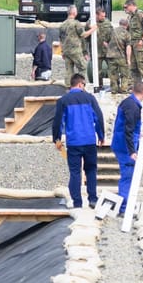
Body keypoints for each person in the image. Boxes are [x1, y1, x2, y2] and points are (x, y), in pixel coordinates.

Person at [50, 74, 106, 209]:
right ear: (80, 84)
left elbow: (57, 122)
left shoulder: (63, 101)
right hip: (89, 141)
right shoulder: (90, 98)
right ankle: (92, 199)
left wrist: (56, 139)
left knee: (75, 172)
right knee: (91, 170)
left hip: (74, 142)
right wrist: (101, 136)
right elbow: (98, 117)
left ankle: (77, 203)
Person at [110, 80, 143, 212]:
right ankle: (124, 207)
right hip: (124, 146)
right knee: (128, 175)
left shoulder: (128, 102)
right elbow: (128, 129)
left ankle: (126, 203)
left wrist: (138, 134)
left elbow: (130, 127)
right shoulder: (133, 106)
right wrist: (132, 151)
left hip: (121, 143)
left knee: (128, 174)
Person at [122, 0, 143, 88]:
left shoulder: (140, 14)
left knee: (141, 65)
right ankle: (136, 85)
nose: (125, 9)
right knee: (133, 66)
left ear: (131, 5)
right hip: (132, 43)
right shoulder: (130, 16)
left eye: (126, 7)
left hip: (139, 43)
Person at [58, 6, 87, 85]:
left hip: (66, 52)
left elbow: (60, 40)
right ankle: (80, 85)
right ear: (74, 13)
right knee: (83, 67)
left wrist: (62, 51)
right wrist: (93, 29)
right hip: (75, 51)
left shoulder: (62, 25)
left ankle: (68, 87)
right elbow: (83, 35)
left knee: (69, 71)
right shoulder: (76, 23)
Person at [96, 8, 122, 92]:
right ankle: (99, 86)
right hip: (97, 51)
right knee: (98, 71)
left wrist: (111, 45)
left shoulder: (107, 23)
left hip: (108, 51)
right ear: (97, 15)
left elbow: (112, 35)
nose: (103, 17)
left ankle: (115, 86)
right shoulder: (91, 22)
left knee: (112, 69)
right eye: (101, 16)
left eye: (104, 16)